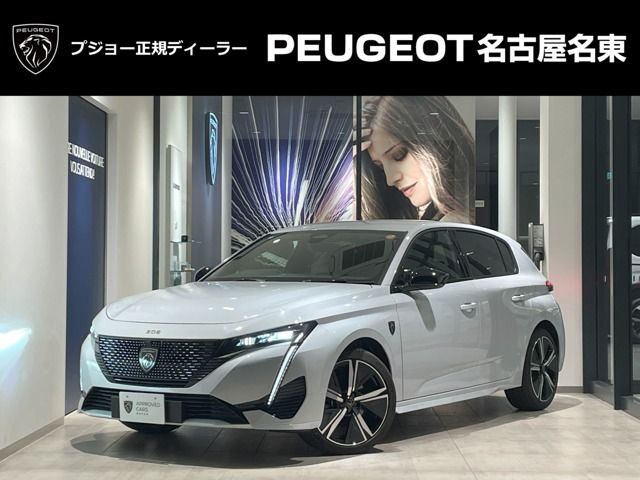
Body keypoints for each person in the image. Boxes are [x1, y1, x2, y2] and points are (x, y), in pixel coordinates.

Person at [359, 96, 475, 223]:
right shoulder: (435, 218)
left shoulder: (453, 223)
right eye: (380, 167)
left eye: (399, 155)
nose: (390, 180)